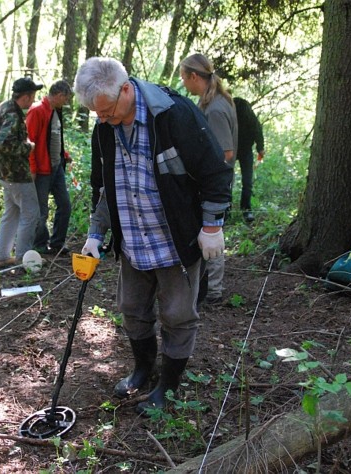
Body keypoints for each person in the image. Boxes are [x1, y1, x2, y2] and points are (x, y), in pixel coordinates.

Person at [73, 57, 232, 414]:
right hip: (132, 240)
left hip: (174, 241)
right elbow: (106, 188)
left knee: (177, 315)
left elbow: (215, 174)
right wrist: (96, 234)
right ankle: (143, 368)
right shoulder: (105, 126)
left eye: (107, 111)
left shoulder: (174, 115)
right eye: (96, 114)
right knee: (131, 309)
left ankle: (168, 385)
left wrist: (211, 227)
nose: (103, 119)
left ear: (126, 90)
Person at [180, 53, 238, 304]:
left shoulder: (215, 108)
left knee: (212, 232)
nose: (183, 83)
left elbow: (225, 152)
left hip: (214, 185)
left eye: (184, 78)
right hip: (209, 182)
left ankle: (213, 290)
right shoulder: (209, 103)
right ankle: (203, 287)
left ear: (194, 77)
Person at [0, 77, 42, 268]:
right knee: (31, 213)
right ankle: (23, 259)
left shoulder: (2, 107)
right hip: (16, 174)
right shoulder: (12, 114)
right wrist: (28, 147)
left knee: (11, 212)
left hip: (4, 173)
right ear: (25, 97)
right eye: (32, 96)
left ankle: (1, 256)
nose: (33, 100)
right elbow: (4, 144)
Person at [26, 80, 74, 255]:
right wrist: (32, 168)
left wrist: (64, 155)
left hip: (56, 167)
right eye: (66, 99)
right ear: (60, 95)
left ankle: (57, 243)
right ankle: (39, 244)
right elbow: (29, 142)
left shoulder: (55, 111)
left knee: (65, 205)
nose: (66, 102)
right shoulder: (37, 110)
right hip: (42, 170)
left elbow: (53, 138)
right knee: (41, 210)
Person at [233, 97, 265, 223]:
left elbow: (257, 130)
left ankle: (246, 208)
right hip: (231, 149)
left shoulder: (247, 114)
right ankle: (228, 209)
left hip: (245, 150)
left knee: (247, 181)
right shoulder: (228, 113)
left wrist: (260, 148)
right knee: (229, 181)